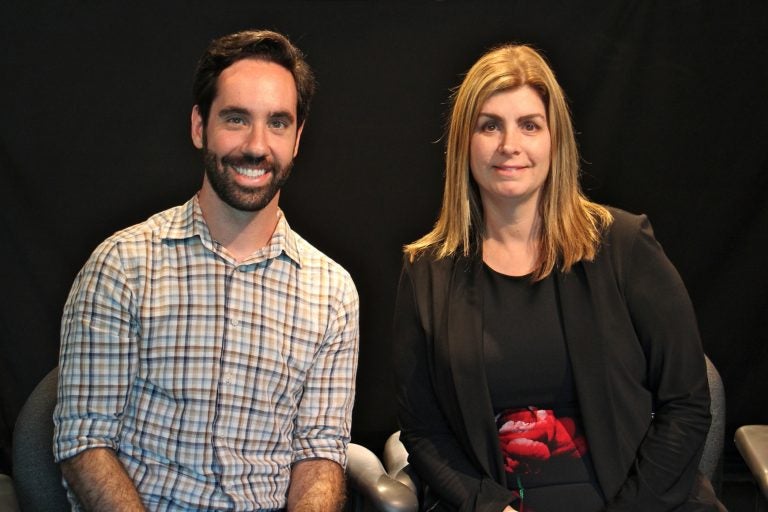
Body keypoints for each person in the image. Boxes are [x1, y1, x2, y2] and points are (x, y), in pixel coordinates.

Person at [393, 44, 724, 512]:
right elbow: (424, 430)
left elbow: (687, 405)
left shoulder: (624, 244)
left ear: (555, 140)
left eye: (530, 125)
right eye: (490, 125)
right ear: (464, 143)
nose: (510, 145)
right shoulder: (427, 271)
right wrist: (487, 507)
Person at [53, 30, 359, 511]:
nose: (257, 146)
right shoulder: (123, 265)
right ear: (200, 126)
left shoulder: (333, 292)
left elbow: (319, 453)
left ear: (298, 138)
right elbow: (84, 443)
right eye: (236, 119)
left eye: (278, 123)